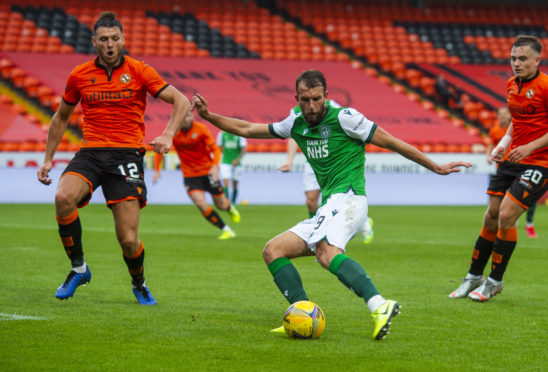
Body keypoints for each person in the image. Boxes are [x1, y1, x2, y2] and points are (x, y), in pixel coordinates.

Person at [192, 69, 470, 340]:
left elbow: (391, 142)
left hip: (350, 198)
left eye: (316, 98)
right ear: (296, 98)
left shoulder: (346, 118)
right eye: (304, 99)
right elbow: (246, 128)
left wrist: (434, 166)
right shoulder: (295, 122)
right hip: (330, 205)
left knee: (326, 253)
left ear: (326, 95)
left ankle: (379, 304)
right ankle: (302, 312)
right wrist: (208, 116)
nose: (311, 106)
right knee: (273, 250)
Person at [36, 11, 190, 305]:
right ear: (94, 42)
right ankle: (78, 268)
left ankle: (139, 283)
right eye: (104, 39)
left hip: (126, 155)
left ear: (123, 40)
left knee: (129, 240)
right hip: (91, 152)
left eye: (115, 38)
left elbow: (181, 101)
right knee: (63, 197)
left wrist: (168, 134)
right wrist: (47, 159)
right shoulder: (79, 75)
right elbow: (60, 118)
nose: (110, 44)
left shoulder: (140, 71)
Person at [449, 35, 548, 302]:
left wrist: (529, 147)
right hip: (513, 159)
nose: (516, 63)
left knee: (505, 215)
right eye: (513, 58)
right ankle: (473, 277)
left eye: (523, 58)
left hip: (542, 162)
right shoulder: (511, 84)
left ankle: (495, 281)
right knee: (491, 215)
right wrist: (504, 142)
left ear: (537, 59)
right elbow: (517, 120)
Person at [278, 101, 374, 244]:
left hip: (333, 161)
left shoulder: (331, 106)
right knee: (311, 200)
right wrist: (289, 161)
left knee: (333, 198)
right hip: (313, 161)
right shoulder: (295, 113)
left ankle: (363, 222)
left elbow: (343, 124)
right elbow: (293, 136)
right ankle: (317, 229)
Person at [153, 109, 240, 240]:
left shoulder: (201, 129)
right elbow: (160, 149)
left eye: (188, 116)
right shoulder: (172, 133)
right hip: (190, 176)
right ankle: (226, 229)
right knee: (200, 204)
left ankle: (229, 207)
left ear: (192, 116)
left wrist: (215, 166)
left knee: (221, 205)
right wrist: (157, 170)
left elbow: (215, 149)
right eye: (183, 116)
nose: (185, 119)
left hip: (208, 172)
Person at [216, 131, 247, 204]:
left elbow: (243, 150)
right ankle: (227, 203)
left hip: (237, 164)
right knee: (225, 182)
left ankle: (233, 203)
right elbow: (219, 147)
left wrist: (237, 160)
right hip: (225, 162)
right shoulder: (222, 134)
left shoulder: (240, 135)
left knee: (235, 184)